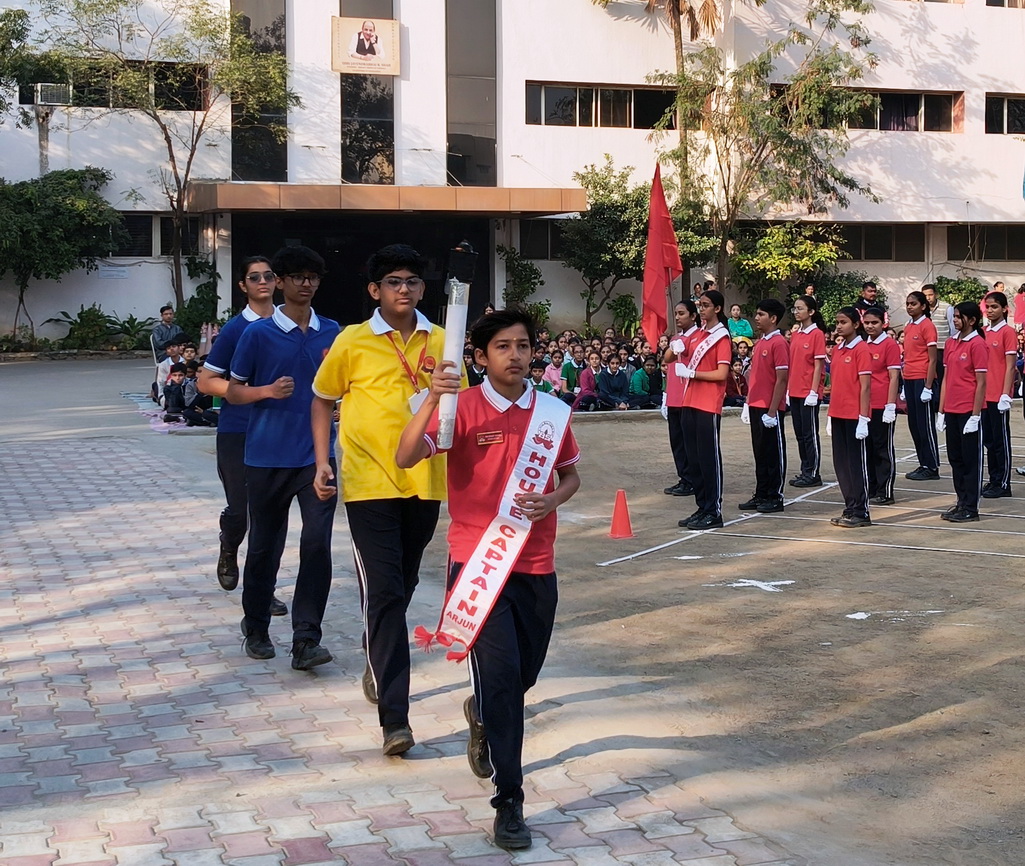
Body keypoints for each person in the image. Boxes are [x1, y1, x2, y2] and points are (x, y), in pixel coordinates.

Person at [396, 308, 579, 852]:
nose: (515, 355)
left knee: (521, 678)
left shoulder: (552, 412)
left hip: (536, 564)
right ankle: (510, 801)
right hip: (478, 564)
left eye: (523, 345)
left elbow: (570, 475)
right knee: (501, 682)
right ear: (479, 356)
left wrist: (552, 499)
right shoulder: (461, 408)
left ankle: (481, 713)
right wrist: (431, 399)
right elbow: (405, 456)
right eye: (502, 346)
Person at [311, 243, 460, 758]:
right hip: (368, 483)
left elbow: (461, 407)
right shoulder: (352, 340)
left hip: (425, 480)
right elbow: (322, 399)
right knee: (387, 592)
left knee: (403, 582)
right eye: (394, 281)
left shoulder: (443, 340)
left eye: (413, 281)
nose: (404, 289)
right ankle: (395, 719)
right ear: (375, 290)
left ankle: (378, 650)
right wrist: (322, 460)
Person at [227, 245, 341, 672]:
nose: (305, 284)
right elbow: (232, 392)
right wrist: (267, 391)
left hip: (317, 458)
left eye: (313, 277)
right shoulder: (256, 334)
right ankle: (256, 626)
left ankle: (306, 639)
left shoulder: (333, 332)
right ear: (280, 282)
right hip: (265, 456)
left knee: (317, 545)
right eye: (297, 276)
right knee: (265, 545)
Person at [197, 256, 288, 614]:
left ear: (278, 281)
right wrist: (255, 392)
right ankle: (229, 544)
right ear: (243, 286)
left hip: (278, 431)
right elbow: (206, 382)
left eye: (269, 276)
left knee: (270, 516)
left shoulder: (290, 325)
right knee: (241, 510)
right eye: (254, 277)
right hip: (238, 430)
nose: (263, 282)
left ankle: (263, 589)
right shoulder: (236, 329)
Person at [678, 290, 732, 529]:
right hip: (689, 401)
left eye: (706, 305)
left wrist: (692, 373)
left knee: (709, 458)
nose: (701, 309)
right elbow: (672, 356)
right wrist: (675, 346)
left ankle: (713, 510)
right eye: (699, 305)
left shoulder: (721, 337)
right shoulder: (697, 334)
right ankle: (702, 507)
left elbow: (721, 374)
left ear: (717, 309)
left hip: (708, 404)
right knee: (695, 459)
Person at [936, 302, 988, 522]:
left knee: (970, 461)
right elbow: (947, 378)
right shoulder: (951, 343)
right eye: (955, 316)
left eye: (959, 317)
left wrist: (975, 415)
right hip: (952, 409)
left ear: (972, 320)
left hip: (968, 410)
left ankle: (971, 507)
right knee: (955, 459)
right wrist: (941, 410)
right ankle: (961, 501)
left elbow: (981, 382)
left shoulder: (977, 344)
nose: (955, 320)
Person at [739, 299, 789, 514]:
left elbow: (782, 379)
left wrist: (773, 410)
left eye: (761, 314)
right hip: (756, 404)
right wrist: (748, 402)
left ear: (773, 318)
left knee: (773, 452)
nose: (756, 318)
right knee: (759, 451)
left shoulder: (779, 343)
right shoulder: (760, 343)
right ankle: (761, 492)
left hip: (770, 407)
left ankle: (775, 495)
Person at [827, 307, 872, 527]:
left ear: (855, 324)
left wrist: (863, 417)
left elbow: (865, 386)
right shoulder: (838, 349)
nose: (839, 326)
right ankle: (850, 506)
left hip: (854, 415)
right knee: (841, 463)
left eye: (843, 322)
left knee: (855, 463)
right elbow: (837, 384)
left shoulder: (861, 349)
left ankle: (861, 511)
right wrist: (830, 414)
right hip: (838, 412)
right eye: (837, 322)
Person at [862, 307, 901, 505]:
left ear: (883, 323)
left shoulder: (889, 345)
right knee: (867, 448)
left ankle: (885, 491)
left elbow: (894, 377)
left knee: (882, 448)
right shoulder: (863, 345)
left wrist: (890, 405)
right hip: (866, 405)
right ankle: (871, 487)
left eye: (874, 322)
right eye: (867, 322)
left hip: (882, 404)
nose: (870, 326)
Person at [901, 291, 941, 481]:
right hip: (909, 378)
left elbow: (933, 359)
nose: (909, 307)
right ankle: (923, 463)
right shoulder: (909, 326)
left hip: (922, 378)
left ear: (923, 306)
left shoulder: (927, 326)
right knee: (914, 425)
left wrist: (928, 386)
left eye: (913, 304)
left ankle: (932, 466)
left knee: (925, 425)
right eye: (908, 304)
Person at [788, 295, 827, 488]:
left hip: (808, 392)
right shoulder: (796, 334)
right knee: (800, 434)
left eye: (800, 308)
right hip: (795, 390)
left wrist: (813, 391)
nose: (796, 312)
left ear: (811, 311)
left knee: (810, 433)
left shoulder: (816, 334)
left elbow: (818, 365)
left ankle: (813, 472)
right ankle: (805, 470)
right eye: (795, 308)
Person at [981, 291, 1016, 498]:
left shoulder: (1007, 332)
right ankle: (994, 479)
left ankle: (1003, 483)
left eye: (994, 307)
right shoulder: (983, 332)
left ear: (1004, 309)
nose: (990, 310)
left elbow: (1010, 366)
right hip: (984, 396)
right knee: (990, 441)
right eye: (988, 307)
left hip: (998, 395)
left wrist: (1005, 393)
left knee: (1001, 441)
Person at [663, 300, 699, 496]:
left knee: (690, 442)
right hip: (674, 397)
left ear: (693, 316)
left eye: (682, 313)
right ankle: (684, 478)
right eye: (676, 313)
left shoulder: (700, 337)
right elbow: (667, 360)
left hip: (689, 397)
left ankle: (694, 479)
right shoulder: (676, 338)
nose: (677, 317)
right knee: (677, 441)